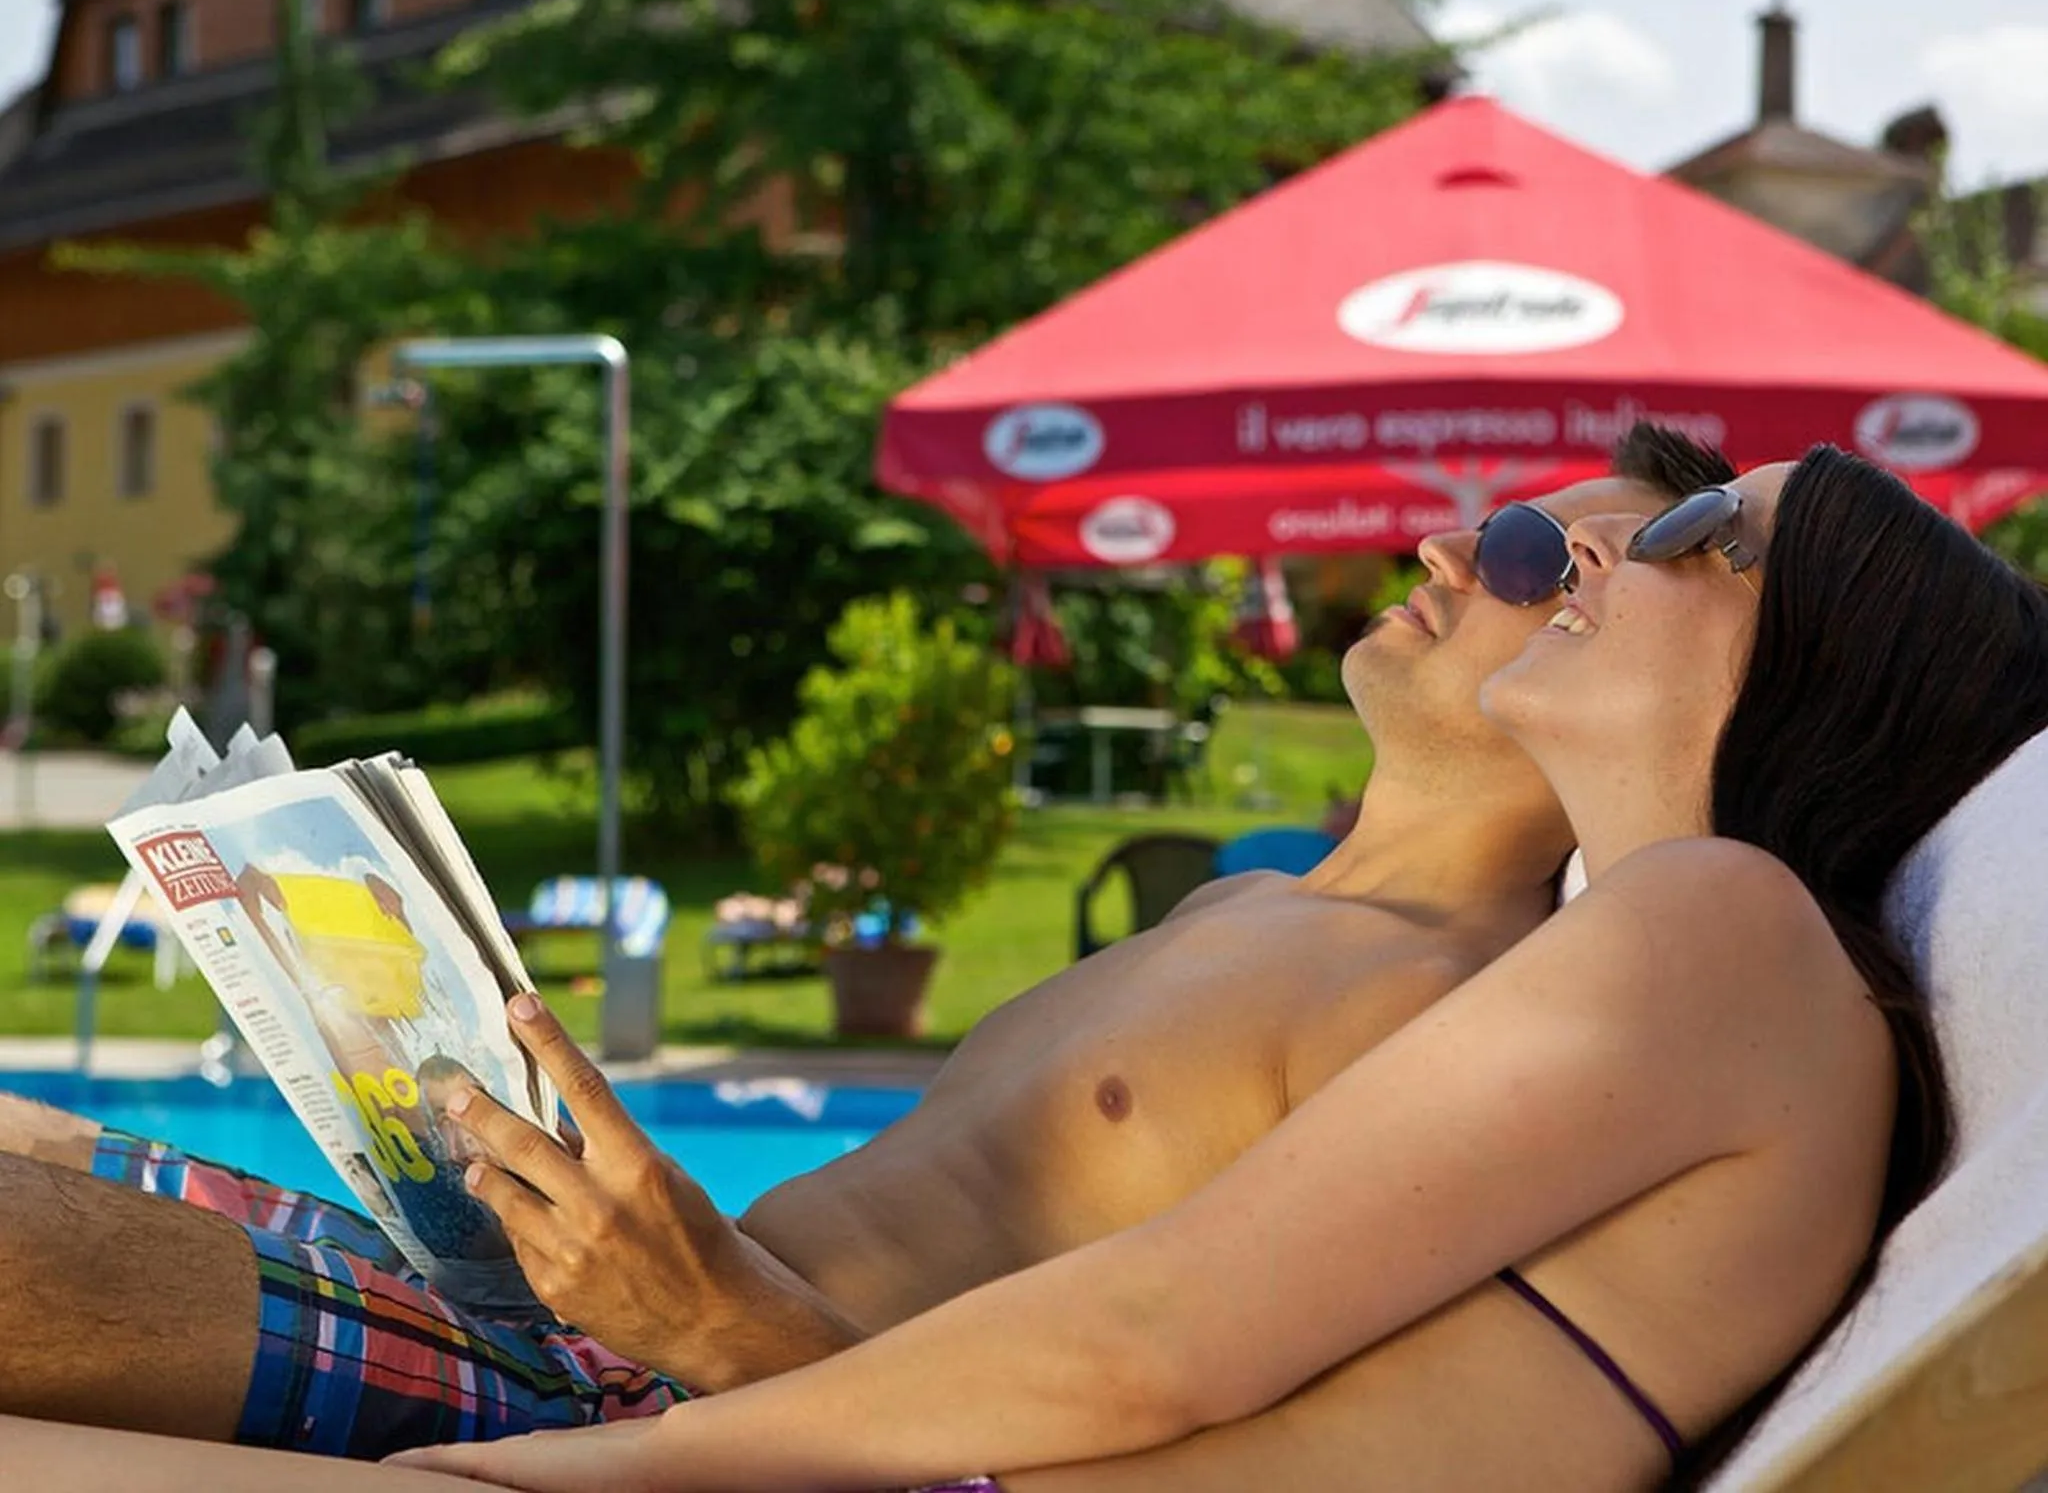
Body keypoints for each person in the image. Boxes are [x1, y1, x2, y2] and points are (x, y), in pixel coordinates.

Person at [42, 441, 2027, 1493]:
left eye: (1671, 534)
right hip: (649, 1367)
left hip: (675, 1393)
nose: (1494, 559)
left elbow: (1147, 1363)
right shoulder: (1415, 957)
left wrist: (629, 1414)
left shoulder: (1660, 957)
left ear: (1816, 684)